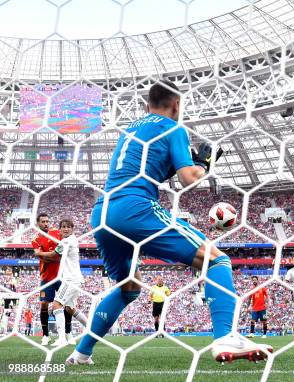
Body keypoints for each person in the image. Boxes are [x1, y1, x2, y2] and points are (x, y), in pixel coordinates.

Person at [66, 81, 271, 366]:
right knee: (216, 259)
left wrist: (185, 165)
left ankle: (81, 352)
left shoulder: (131, 129)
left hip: (102, 213)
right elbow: (189, 179)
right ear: (176, 104)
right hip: (134, 207)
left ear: (147, 104)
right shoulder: (173, 128)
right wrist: (205, 167)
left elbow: (147, 171)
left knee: (130, 287)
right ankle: (225, 336)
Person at [32, 213, 74, 346]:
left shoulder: (56, 233)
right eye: (43, 221)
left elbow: (60, 253)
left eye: (47, 221)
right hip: (46, 278)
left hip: (62, 276)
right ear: (38, 223)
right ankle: (45, 335)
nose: (46, 223)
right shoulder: (35, 240)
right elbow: (43, 258)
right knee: (44, 304)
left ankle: (68, 333)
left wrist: (46, 255)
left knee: (67, 304)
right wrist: (53, 256)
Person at [50, 219, 88, 347]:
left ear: (72, 229)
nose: (65, 229)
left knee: (56, 305)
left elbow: (53, 255)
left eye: (68, 227)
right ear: (59, 229)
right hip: (75, 279)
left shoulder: (66, 241)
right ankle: (91, 330)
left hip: (71, 280)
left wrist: (38, 254)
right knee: (69, 309)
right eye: (63, 227)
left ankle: (61, 339)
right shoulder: (72, 240)